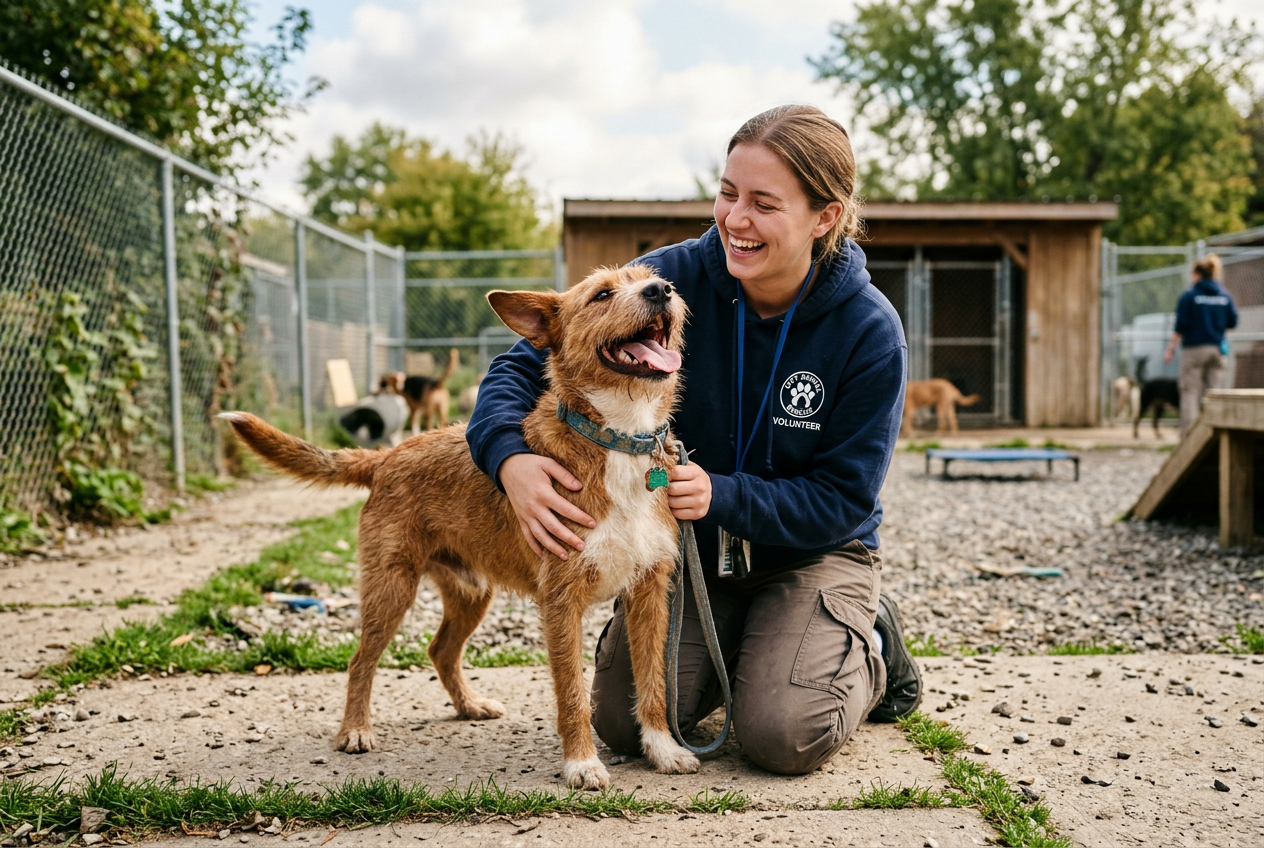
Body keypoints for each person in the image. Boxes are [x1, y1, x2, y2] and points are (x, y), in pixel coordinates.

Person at [466, 105, 922, 775]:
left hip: (809, 554)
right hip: (691, 554)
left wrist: (724, 494)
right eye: (728, 192)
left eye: (764, 204)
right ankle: (761, 650)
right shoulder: (661, 283)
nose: (735, 219)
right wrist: (510, 460)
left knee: (783, 735)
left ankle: (868, 646)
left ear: (824, 217)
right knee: (622, 724)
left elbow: (844, 500)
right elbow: (513, 369)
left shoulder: (868, 330)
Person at [1164, 254, 1238, 436]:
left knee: (1190, 391)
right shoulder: (1224, 295)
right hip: (1217, 349)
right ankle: (1215, 434)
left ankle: (1189, 437)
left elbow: (1180, 326)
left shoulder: (1190, 295)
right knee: (1214, 392)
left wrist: (1170, 349)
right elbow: (1233, 322)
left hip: (1194, 349)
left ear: (1197, 274)